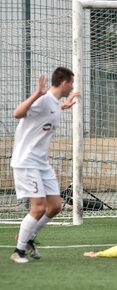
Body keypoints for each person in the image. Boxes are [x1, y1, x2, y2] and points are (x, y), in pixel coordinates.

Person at [10, 67, 80, 263]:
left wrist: (63, 106)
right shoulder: (42, 99)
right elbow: (17, 113)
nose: (72, 87)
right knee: (39, 208)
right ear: (65, 83)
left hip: (42, 163)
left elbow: (50, 110)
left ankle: (29, 238)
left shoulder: (55, 103)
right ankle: (18, 251)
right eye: (71, 84)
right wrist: (36, 94)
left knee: (55, 206)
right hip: (26, 161)